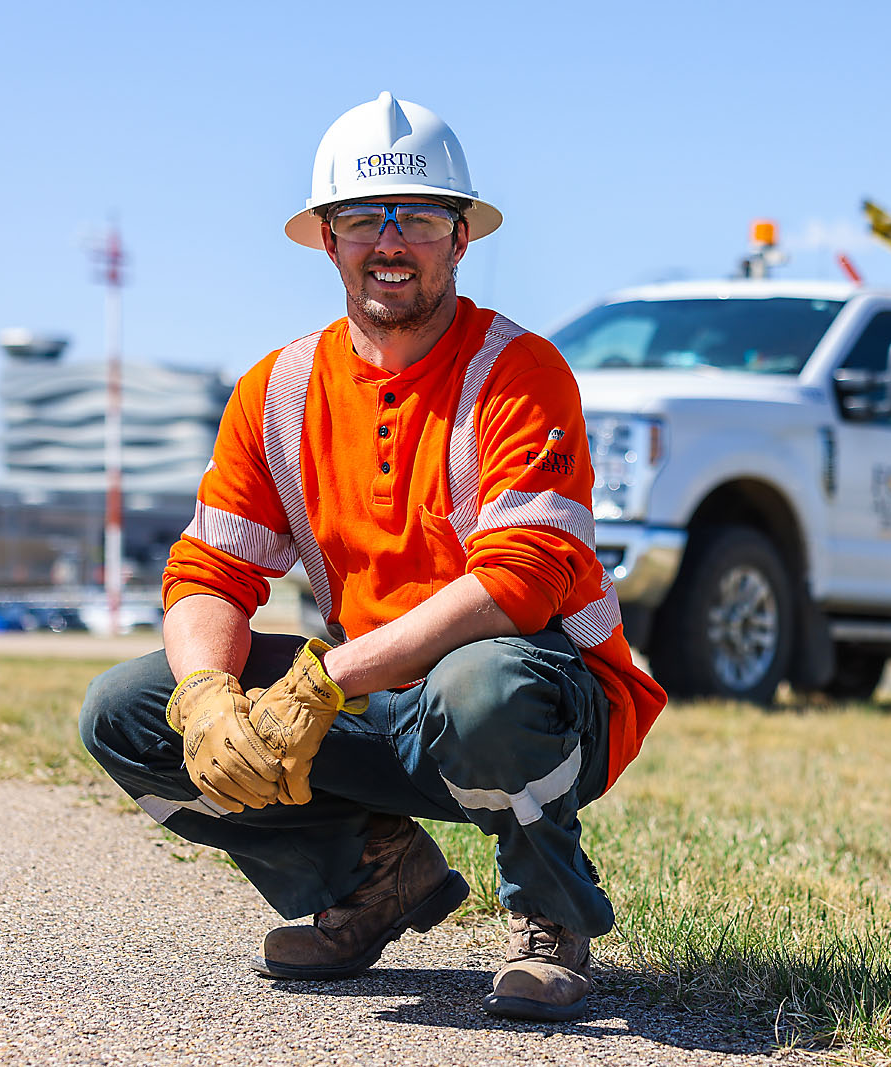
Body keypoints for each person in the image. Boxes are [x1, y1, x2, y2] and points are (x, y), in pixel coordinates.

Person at [79, 91, 666, 1023]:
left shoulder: (518, 371)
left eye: (421, 217)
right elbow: (207, 574)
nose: (390, 240)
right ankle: (375, 872)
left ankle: (551, 916)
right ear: (324, 237)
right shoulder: (276, 392)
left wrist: (321, 684)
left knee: (483, 688)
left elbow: (521, 584)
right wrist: (205, 697)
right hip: (384, 701)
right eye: (362, 217)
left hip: (547, 699)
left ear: (462, 237)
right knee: (126, 714)